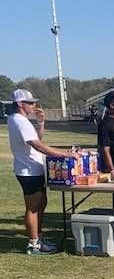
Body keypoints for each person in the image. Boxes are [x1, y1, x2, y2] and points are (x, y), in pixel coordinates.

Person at [7, 89, 78, 255]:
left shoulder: (19, 120)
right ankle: (33, 244)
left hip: (33, 168)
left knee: (41, 204)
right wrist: (65, 154)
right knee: (33, 207)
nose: (34, 105)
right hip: (28, 170)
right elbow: (37, 145)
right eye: (30, 102)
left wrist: (41, 122)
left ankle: (38, 238)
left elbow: (37, 139)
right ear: (20, 104)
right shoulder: (19, 121)